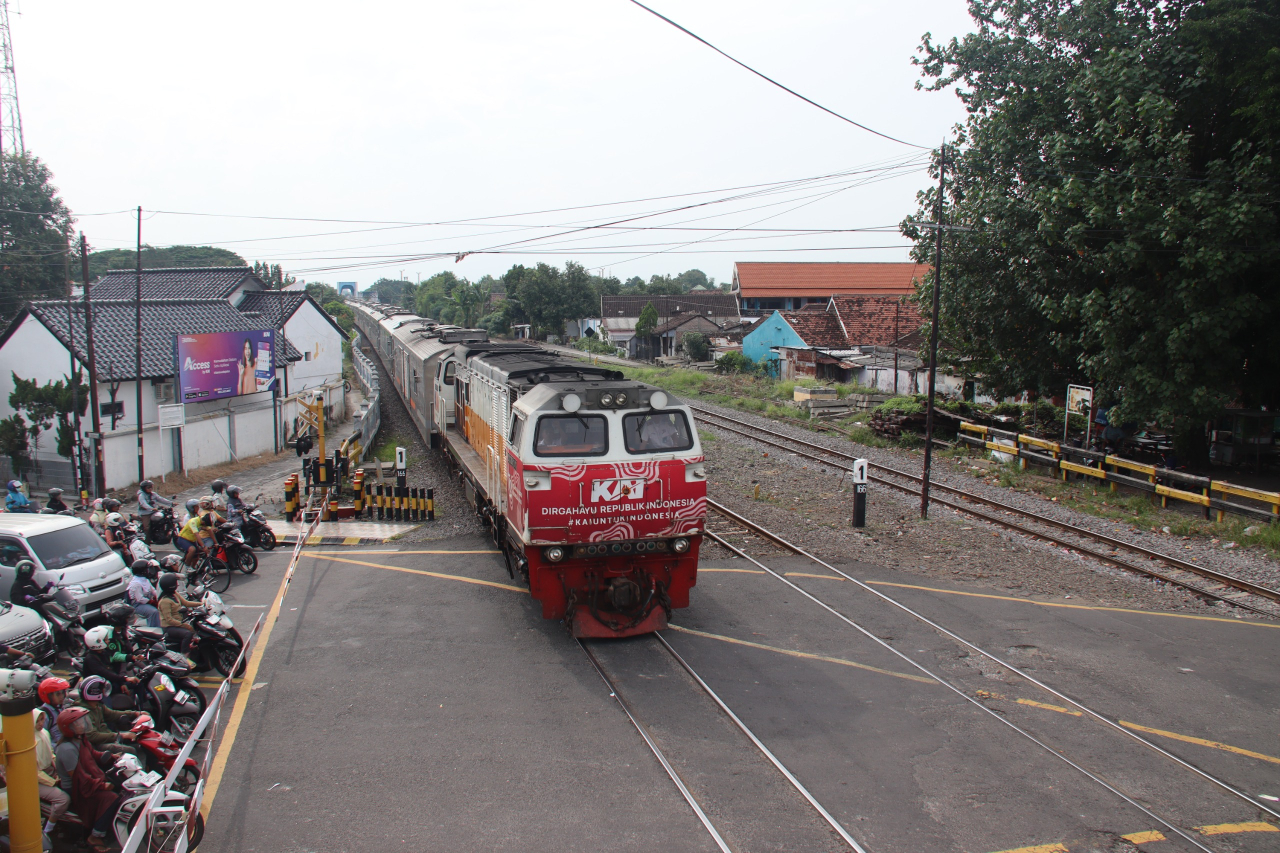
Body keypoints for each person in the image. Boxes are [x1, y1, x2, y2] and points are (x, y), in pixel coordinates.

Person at [54, 707, 126, 852]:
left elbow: (92, 754)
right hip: (77, 788)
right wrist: (101, 785)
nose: (82, 725)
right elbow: (79, 778)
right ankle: (95, 835)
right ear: (68, 728)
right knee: (111, 798)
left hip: (90, 779)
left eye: (82, 721)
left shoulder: (80, 739)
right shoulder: (67, 749)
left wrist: (111, 756)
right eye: (77, 723)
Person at [74, 676, 139, 755]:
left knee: (138, 740)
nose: (104, 691)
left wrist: (135, 714)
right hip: (97, 744)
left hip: (106, 738)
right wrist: (119, 735)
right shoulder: (83, 712)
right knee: (131, 751)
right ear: (95, 692)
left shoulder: (97, 705)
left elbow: (112, 714)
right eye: (102, 689)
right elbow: (92, 736)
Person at [32, 706, 71, 838]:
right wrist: (53, 781)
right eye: (38, 720)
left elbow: (51, 755)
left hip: (50, 772)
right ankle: (48, 830)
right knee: (63, 799)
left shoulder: (44, 733)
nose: (41, 723)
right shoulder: (27, 741)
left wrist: (58, 771)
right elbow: (33, 771)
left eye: (43, 720)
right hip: (35, 780)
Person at [82, 626, 138, 695]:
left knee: (138, 683)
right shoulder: (91, 659)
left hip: (109, 683)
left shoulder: (104, 652)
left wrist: (122, 683)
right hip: (98, 689)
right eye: (105, 640)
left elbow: (113, 668)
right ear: (99, 642)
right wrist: (125, 679)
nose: (108, 641)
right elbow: (105, 673)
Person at [157, 573, 201, 655]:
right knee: (187, 634)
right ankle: (185, 655)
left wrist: (201, 604)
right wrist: (183, 625)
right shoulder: (165, 602)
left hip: (178, 622)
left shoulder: (174, 594)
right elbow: (169, 620)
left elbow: (186, 603)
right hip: (169, 627)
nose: (177, 584)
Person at [126, 559, 161, 628]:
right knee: (153, 612)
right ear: (142, 571)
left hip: (146, 602)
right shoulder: (136, 583)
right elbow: (140, 599)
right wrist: (153, 602)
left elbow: (153, 590)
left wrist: (160, 597)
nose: (149, 571)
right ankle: (153, 630)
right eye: (147, 569)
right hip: (137, 605)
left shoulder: (145, 580)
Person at [38, 676, 71, 745]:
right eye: (58, 694)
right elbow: (42, 740)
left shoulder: (61, 707)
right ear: (48, 696)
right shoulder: (45, 715)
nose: (62, 696)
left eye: (63, 693)